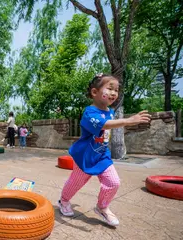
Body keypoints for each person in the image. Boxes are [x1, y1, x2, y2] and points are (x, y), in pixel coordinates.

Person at [58, 73, 151, 227]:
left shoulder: (110, 111)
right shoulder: (89, 112)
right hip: (86, 157)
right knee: (75, 183)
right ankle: (64, 201)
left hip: (102, 155)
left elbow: (108, 125)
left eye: (116, 90)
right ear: (95, 92)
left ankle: (102, 207)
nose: (114, 93)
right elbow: (104, 125)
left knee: (114, 182)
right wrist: (128, 120)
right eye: (110, 88)